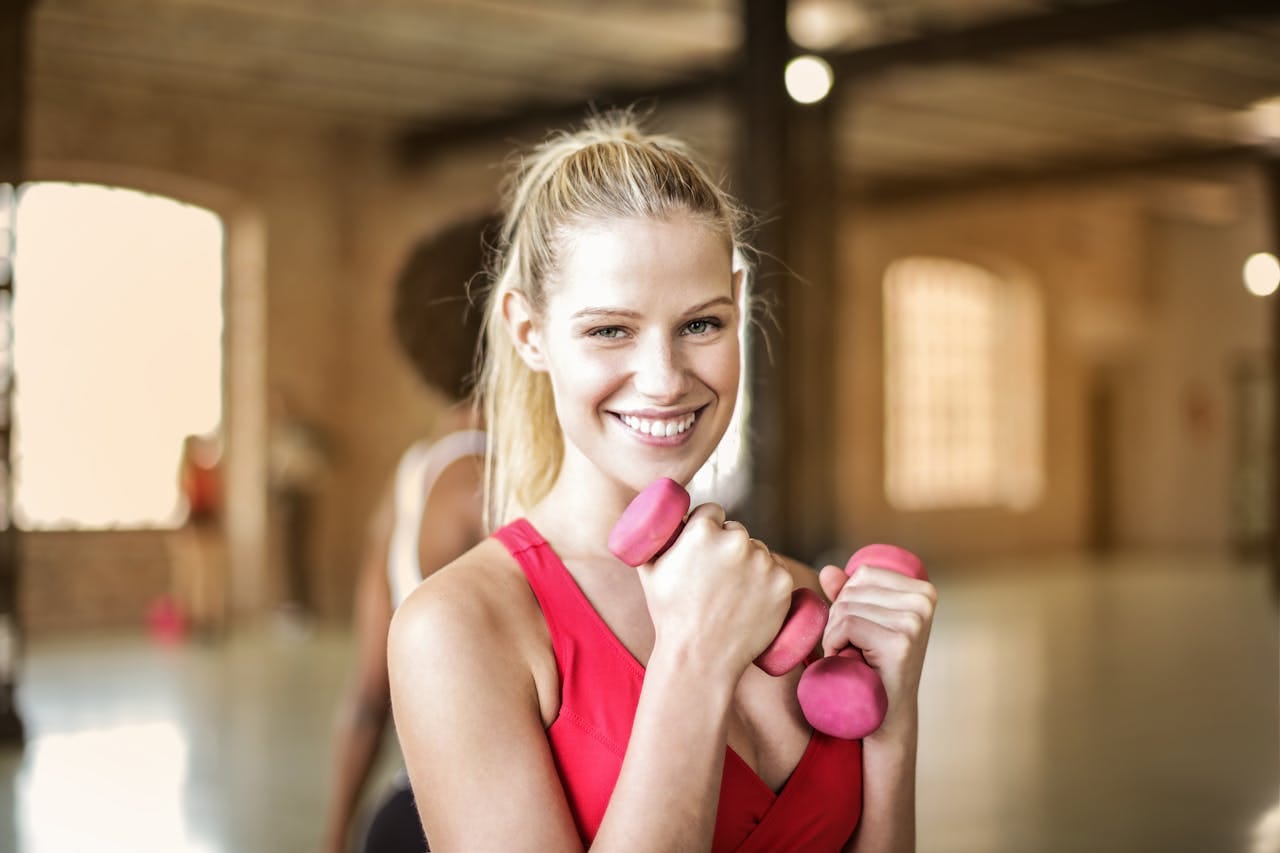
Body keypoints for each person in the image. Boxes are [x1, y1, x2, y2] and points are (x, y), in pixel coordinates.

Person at [387, 113, 937, 851]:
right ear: (528, 331)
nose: (665, 379)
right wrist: (694, 662)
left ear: (738, 303)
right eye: (610, 329)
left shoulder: (796, 591)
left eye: (701, 324)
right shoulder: (456, 629)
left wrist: (894, 728)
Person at [321, 215, 493, 853]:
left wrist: (336, 835)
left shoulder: (409, 480)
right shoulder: (491, 486)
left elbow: (369, 693)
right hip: (472, 821)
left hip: (403, 808)